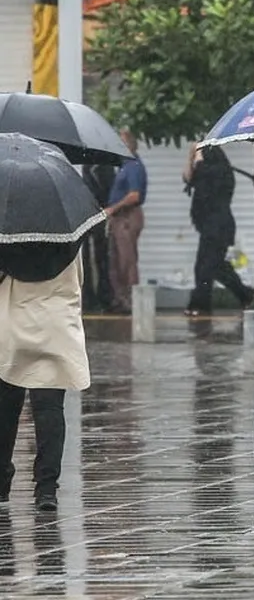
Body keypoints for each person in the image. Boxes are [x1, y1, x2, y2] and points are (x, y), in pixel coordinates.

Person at [0, 244, 91, 512]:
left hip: (13, 325)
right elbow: (79, 280)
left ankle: (2, 480)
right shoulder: (69, 234)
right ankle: (46, 488)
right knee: (49, 409)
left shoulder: (9, 232)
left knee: (6, 408)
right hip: (55, 326)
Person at [183, 142, 254, 316]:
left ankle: (200, 305)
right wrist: (191, 156)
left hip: (218, 226)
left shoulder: (219, 171)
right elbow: (187, 178)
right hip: (209, 226)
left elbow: (204, 179)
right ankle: (246, 295)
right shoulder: (205, 171)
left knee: (205, 267)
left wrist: (199, 157)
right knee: (215, 266)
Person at [104, 129, 148, 314]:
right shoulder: (123, 166)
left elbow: (134, 195)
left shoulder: (133, 166)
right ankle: (120, 299)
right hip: (118, 218)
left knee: (127, 261)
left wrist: (113, 208)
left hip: (127, 217)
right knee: (115, 261)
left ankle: (131, 301)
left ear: (129, 145)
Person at [80, 164, 115, 313]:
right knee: (87, 260)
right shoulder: (87, 169)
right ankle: (89, 298)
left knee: (101, 259)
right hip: (86, 217)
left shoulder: (104, 169)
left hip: (100, 215)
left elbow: (107, 192)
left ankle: (103, 297)